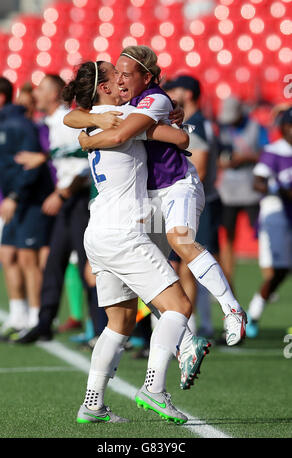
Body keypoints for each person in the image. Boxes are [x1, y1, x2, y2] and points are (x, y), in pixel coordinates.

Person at [63, 59, 210, 424]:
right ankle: (154, 389)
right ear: (105, 88)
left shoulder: (103, 114)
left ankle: (92, 404)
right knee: (178, 307)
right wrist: (173, 123)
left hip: (99, 232)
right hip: (123, 231)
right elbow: (179, 139)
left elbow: (73, 118)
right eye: (116, 74)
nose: (124, 77)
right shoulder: (124, 115)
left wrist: (87, 129)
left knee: (121, 321)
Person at [73, 46, 247, 349]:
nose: (121, 80)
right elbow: (72, 116)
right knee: (158, 275)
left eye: (127, 74)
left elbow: (174, 138)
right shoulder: (127, 104)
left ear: (148, 76)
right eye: (118, 74)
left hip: (178, 184)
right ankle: (181, 345)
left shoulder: (155, 99)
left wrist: (88, 137)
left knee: (180, 241)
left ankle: (232, 308)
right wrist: (97, 124)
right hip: (150, 195)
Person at [14, 74, 107, 343]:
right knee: (54, 262)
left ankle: (99, 329)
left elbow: (86, 161)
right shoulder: (52, 122)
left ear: (55, 94)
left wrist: (62, 194)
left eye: (42, 89)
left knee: (87, 267)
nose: (36, 95)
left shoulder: (67, 121)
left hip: (76, 200)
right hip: (66, 200)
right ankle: (45, 322)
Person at [0, 77, 54, 338]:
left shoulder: (19, 125)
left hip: (29, 200)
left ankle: (35, 319)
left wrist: (15, 196)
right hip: (12, 201)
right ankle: (17, 316)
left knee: (28, 257)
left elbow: (31, 165)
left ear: (1, 97)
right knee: (7, 254)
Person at [164, 75, 222, 339]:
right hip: (192, 200)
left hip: (198, 202)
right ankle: (196, 322)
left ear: (187, 93)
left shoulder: (198, 125)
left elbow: (198, 165)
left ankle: (194, 325)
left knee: (188, 263)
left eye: (175, 88)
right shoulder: (193, 123)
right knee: (182, 263)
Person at [246, 107, 292, 337]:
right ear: (283, 127)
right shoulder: (275, 151)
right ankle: (252, 315)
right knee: (281, 271)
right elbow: (258, 181)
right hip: (278, 216)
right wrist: (278, 188)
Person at [217, 96, 269, 288]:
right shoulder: (222, 128)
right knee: (228, 238)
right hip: (228, 192)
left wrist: (246, 158)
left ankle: (269, 283)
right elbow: (216, 155)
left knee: (262, 238)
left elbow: (267, 154)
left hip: (251, 191)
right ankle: (226, 284)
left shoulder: (256, 127)